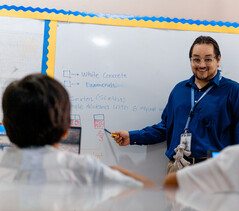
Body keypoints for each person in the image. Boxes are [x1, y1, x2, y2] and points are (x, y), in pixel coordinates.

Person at [113, 36, 239, 174]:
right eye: (196, 59)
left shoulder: (234, 92)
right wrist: (132, 137)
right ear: (190, 60)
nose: (202, 65)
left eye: (208, 59)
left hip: (214, 171)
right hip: (177, 168)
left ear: (218, 59)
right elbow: (165, 128)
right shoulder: (179, 90)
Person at [0, 73, 155, 188]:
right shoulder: (82, 170)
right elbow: (152, 189)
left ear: (4, 125)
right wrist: (111, 171)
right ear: (67, 129)